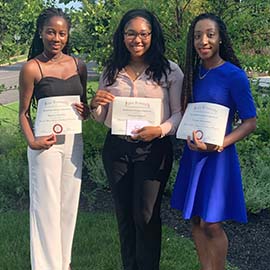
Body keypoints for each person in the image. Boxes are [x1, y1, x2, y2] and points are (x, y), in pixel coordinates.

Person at [90, 8, 183, 270]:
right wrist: (96, 104)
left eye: (143, 34)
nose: (137, 39)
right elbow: (100, 117)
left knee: (146, 215)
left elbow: (178, 114)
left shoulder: (169, 70)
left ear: (153, 35)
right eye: (131, 33)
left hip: (154, 150)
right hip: (117, 148)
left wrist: (161, 129)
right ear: (122, 36)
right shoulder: (112, 70)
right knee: (124, 214)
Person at [171, 13, 257, 270]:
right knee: (196, 219)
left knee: (212, 222)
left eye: (210, 34)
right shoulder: (193, 74)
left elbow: (250, 122)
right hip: (194, 155)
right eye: (198, 36)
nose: (203, 41)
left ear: (220, 39)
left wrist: (222, 142)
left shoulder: (234, 75)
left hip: (219, 157)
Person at [19, 7, 89, 270]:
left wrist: (87, 111)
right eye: (51, 32)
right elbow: (23, 113)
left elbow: (84, 107)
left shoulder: (78, 65)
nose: (56, 38)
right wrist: (32, 141)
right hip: (45, 145)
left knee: (68, 205)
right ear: (41, 33)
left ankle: (64, 262)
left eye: (62, 33)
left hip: (73, 143)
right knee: (46, 208)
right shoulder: (32, 68)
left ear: (68, 36)